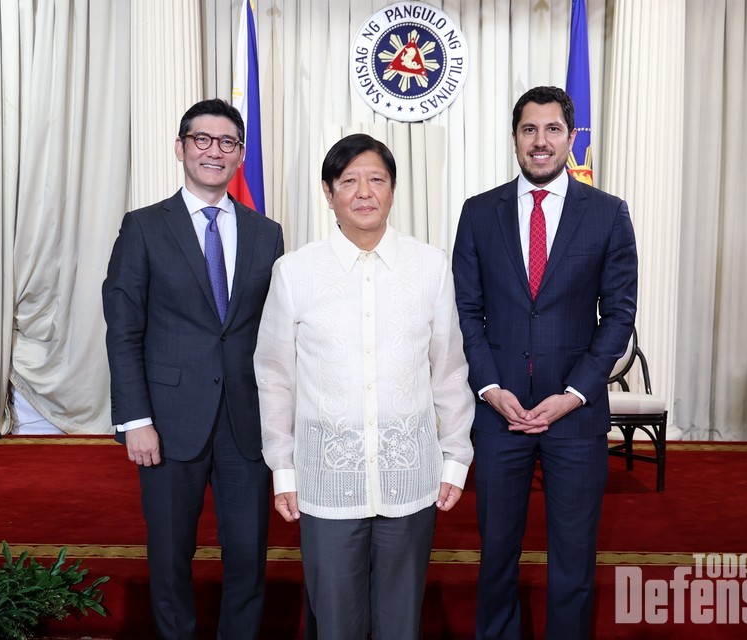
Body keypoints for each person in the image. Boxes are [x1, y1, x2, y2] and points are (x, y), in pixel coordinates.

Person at [254, 133, 474, 639]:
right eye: (349, 180)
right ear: (328, 193)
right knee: (335, 624)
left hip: (410, 479)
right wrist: (283, 469)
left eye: (376, 179)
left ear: (393, 190)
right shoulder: (294, 273)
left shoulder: (430, 267)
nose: (364, 192)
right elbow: (275, 378)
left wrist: (455, 457)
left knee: (401, 625)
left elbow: (449, 371)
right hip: (327, 483)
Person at [452, 86, 638, 639]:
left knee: (574, 561)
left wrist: (574, 393)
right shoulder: (478, 212)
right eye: (529, 130)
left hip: (575, 417)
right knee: (496, 558)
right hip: (500, 413)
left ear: (570, 137)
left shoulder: (607, 214)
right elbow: (466, 310)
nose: (540, 141)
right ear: (515, 138)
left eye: (552, 129)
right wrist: (488, 386)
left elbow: (619, 315)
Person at [102, 98, 283, 639]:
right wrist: (134, 420)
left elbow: (274, 332)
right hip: (167, 420)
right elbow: (123, 330)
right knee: (170, 558)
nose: (213, 151)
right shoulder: (142, 228)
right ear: (180, 148)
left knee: (249, 557)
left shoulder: (266, 233)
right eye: (201, 140)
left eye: (226, 143)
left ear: (240, 156)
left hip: (245, 423)